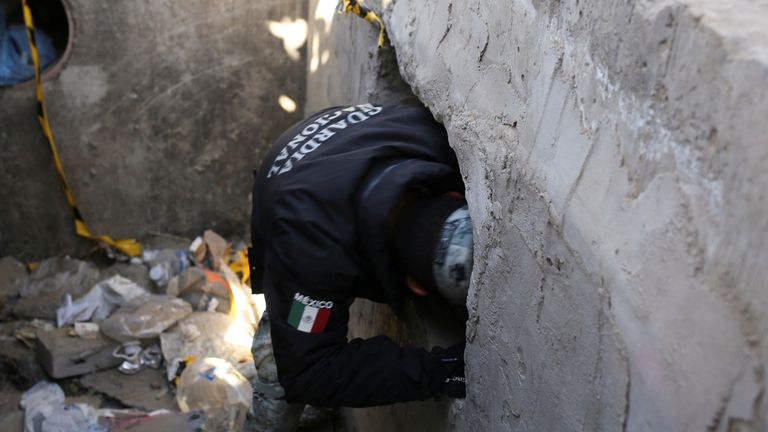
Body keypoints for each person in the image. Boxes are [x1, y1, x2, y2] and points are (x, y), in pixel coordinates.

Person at [248, 104, 473, 424]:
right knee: (282, 363)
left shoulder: (438, 144)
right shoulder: (306, 246)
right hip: (287, 195)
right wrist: (435, 371)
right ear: (415, 286)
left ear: (454, 196)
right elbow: (309, 372)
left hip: (341, 150)